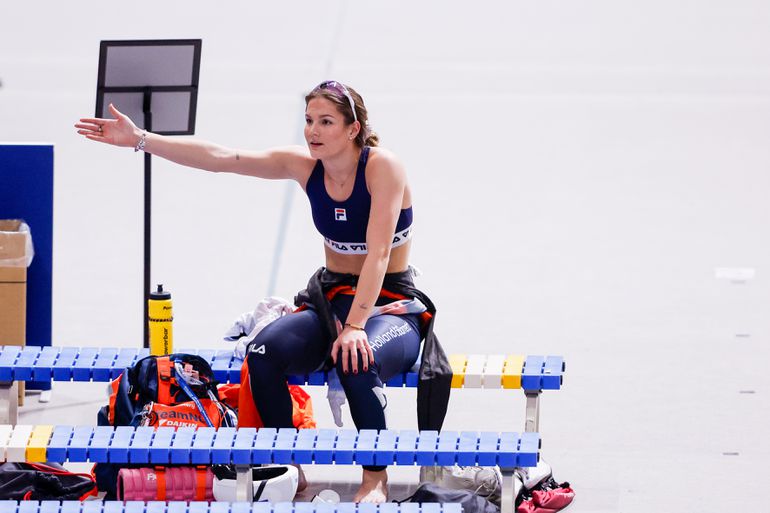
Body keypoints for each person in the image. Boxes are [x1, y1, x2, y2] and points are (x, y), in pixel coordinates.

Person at [75, 80, 450, 503]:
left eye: (326, 122)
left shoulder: (383, 167)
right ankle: (290, 467)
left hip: (390, 308)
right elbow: (223, 159)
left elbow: (379, 256)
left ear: (353, 129)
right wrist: (140, 139)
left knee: (355, 358)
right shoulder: (307, 167)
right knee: (263, 353)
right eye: (309, 121)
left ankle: (375, 477)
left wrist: (357, 325)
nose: (313, 131)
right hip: (332, 302)